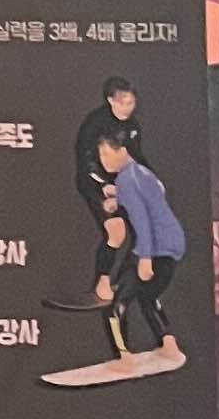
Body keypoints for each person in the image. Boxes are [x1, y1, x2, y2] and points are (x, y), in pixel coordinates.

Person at [52, 115, 187, 379]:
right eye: (100, 155)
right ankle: (169, 346)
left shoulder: (125, 180)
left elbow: (142, 220)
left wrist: (145, 259)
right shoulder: (142, 173)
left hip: (153, 249)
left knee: (116, 306)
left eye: (106, 154)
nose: (103, 161)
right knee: (148, 297)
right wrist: (119, 198)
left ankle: (124, 357)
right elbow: (154, 197)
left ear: (122, 151)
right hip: (174, 244)